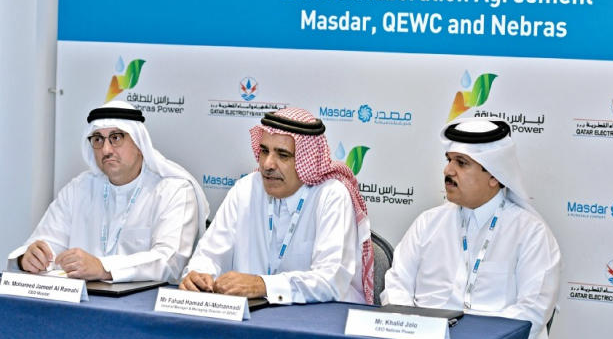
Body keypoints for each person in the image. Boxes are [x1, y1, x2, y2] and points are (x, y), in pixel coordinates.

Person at [381, 118, 561, 339]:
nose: (448, 170)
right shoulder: (427, 224)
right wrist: (411, 331)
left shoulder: (531, 234)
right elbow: (397, 285)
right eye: (449, 160)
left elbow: (531, 312)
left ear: (495, 175)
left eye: (461, 163)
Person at [180, 107, 374, 305]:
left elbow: (331, 281)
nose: (267, 164)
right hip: (251, 317)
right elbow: (209, 254)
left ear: (306, 159)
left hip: (318, 317)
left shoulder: (331, 195)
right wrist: (199, 275)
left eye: (283, 155)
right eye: (264, 151)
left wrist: (263, 285)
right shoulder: (247, 188)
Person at [6, 101, 209, 283]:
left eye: (116, 138)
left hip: (143, 305)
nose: (106, 150)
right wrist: (28, 258)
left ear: (139, 144)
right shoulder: (78, 189)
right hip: (79, 302)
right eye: (98, 140)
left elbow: (170, 261)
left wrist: (103, 268)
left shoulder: (173, 190)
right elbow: (47, 243)